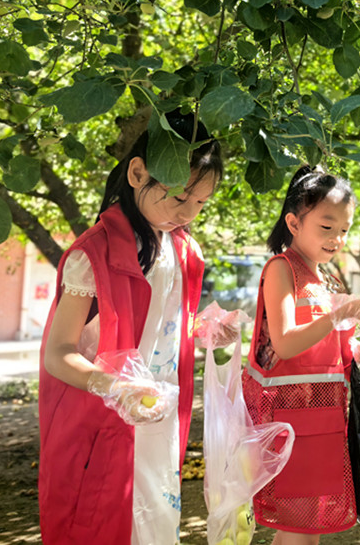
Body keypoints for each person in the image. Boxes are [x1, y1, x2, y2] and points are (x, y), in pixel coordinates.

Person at [39, 111, 226, 544]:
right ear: (138, 172)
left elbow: (166, 326)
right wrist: (113, 386)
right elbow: (58, 352)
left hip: (158, 422)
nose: (189, 214)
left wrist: (204, 331)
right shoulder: (94, 254)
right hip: (103, 424)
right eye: (180, 199)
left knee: (155, 527)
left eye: (201, 203)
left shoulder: (183, 250)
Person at [242, 165, 360, 545]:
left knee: (310, 529)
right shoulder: (281, 269)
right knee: (296, 528)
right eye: (326, 227)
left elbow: (332, 348)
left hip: (324, 417)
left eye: (344, 229)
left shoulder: (326, 279)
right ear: (293, 222)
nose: (336, 238)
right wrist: (343, 312)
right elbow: (287, 342)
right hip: (290, 422)